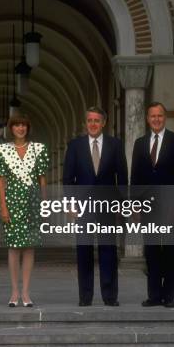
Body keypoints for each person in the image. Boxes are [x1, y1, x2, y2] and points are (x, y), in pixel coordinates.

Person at [63, 106, 128, 307]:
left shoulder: (115, 145)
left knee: (108, 250)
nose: (93, 124)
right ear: (86, 123)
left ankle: (110, 296)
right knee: (84, 251)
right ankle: (85, 296)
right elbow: (68, 178)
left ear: (103, 123)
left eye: (96, 120)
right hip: (83, 207)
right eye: (90, 120)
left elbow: (122, 178)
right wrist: (70, 203)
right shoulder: (75, 146)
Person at [131, 102, 174, 308]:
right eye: (153, 116)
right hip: (148, 205)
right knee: (153, 249)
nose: (156, 119)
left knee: (170, 249)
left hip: (171, 204)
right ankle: (154, 295)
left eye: (160, 116)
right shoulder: (140, 143)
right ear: (147, 119)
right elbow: (135, 176)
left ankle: (169, 296)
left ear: (165, 117)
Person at [0, 114, 49, 307]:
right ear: (11, 128)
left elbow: (42, 179)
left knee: (29, 247)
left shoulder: (39, 149)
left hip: (33, 202)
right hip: (12, 202)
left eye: (24, 124)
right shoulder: (2, 150)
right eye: (17, 125)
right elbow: (0, 182)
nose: (20, 128)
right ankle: (14, 291)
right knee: (14, 248)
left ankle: (26, 292)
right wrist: (3, 207)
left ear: (28, 127)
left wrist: (44, 204)